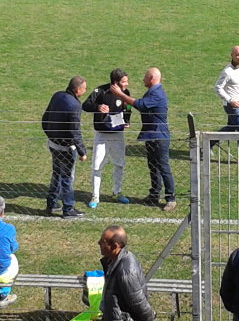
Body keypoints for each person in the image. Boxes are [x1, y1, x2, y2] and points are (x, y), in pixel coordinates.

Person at [111, 68, 175, 212]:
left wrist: (120, 95)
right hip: (152, 136)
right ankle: (154, 195)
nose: (143, 79)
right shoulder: (153, 91)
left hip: (159, 137)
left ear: (152, 78)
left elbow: (141, 105)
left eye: (145, 77)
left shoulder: (157, 93)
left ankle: (171, 198)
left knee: (163, 167)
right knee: (153, 166)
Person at [82, 69, 132, 209]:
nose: (127, 84)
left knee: (119, 164)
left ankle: (117, 192)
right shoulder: (100, 91)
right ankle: (95, 196)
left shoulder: (125, 93)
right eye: (124, 82)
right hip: (102, 135)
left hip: (118, 135)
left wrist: (127, 119)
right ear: (115, 83)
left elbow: (128, 106)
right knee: (97, 166)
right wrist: (97, 107)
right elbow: (85, 105)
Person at [43, 77, 89, 218]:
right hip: (65, 148)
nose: (85, 90)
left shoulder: (57, 95)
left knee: (56, 174)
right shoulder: (74, 105)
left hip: (53, 144)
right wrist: (82, 152)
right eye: (84, 88)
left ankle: (52, 203)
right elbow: (75, 131)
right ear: (77, 90)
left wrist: (50, 135)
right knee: (67, 178)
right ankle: (68, 209)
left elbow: (45, 118)